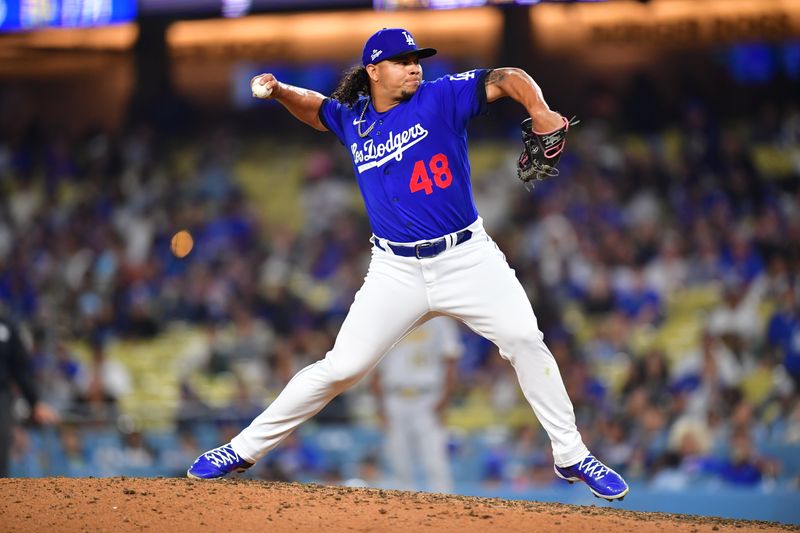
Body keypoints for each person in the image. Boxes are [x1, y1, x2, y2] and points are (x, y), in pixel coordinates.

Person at [187, 27, 629, 501]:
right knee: (341, 368)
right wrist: (278, 92)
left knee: (524, 338)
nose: (414, 65)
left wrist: (539, 110)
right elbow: (317, 110)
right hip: (395, 269)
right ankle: (240, 449)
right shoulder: (354, 119)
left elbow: (507, 76)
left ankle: (571, 454)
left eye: (416, 58)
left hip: (467, 257)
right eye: (401, 60)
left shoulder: (441, 97)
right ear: (373, 70)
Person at [371, 316, 462, 492]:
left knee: (435, 460)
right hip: (394, 396)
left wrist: (445, 399)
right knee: (399, 460)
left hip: (427, 397)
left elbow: (451, 361)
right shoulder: (389, 322)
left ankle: (447, 512)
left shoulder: (440, 322)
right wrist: (380, 408)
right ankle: (404, 515)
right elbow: (376, 367)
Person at [0, 317, 58, 476]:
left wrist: (35, 402)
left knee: (1, 441)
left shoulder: (6, 327)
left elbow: (20, 369)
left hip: (1, 395)